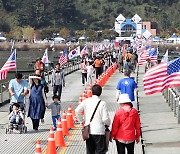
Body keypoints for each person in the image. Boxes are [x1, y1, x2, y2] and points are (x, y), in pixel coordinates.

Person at [75, 84, 111, 154]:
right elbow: (105, 118)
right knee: (100, 151)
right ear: (101, 92)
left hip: (89, 131)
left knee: (90, 151)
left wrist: (82, 121)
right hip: (99, 131)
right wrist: (108, 123)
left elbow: (77, 111)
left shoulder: (86, 101)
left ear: (92, 92)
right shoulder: (102, 103)